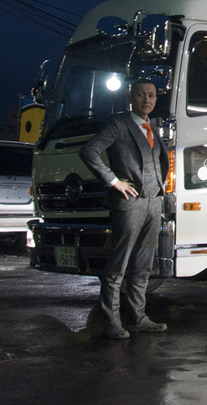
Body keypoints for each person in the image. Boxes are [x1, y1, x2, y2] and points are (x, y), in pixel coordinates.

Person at [80, 78, 169, 340]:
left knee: (143, 266)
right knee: (118, 266)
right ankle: (110, 323)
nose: (147, 100)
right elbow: (89, 151)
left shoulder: (153, 127)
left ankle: (138, 318)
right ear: (131, 97)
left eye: (151, 95)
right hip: (129, 205)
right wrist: (114, 181)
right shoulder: (118, 125)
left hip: (154, 203)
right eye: (141, 94)